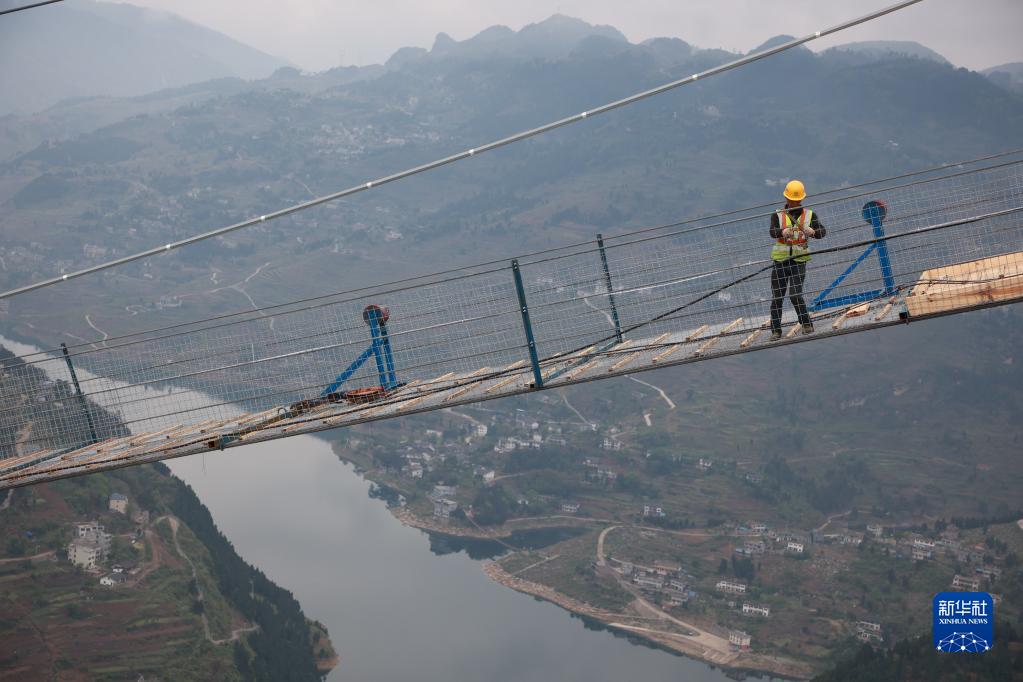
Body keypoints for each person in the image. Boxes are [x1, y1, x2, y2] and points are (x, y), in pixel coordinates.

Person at [769, 180, 826, 340]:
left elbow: (822, 232)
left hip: (799, 261)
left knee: (795, 295)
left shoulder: (809, 215)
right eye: (792, 199)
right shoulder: (777, 215)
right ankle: (775, 330)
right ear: (787, 199)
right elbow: (772, 232)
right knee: (777, 296)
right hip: (780, 261)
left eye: (797, 199)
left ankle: (806, 323)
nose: (794, 201)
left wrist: (813, 231)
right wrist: (782, 231)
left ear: (800, 199)